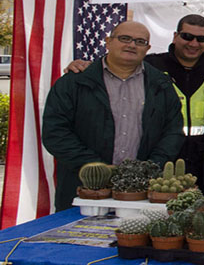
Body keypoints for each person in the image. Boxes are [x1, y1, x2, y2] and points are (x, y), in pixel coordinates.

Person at [65, 14, 204, 193]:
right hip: (158, 162)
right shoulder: (151, 65)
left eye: (201, 39)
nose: (193, 43)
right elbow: (115, 65)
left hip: (201, 161)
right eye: (187, 36)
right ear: (175, 36)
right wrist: (84, 66)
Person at [43, 21, 184, 211]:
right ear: (108, 42)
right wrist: (96, 169)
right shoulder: (74, 82)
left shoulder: (162, 85)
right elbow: (55, 133)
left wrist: (148, 169)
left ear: (148, 48)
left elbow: (173, 131)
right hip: (84, 190)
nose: (132, 45)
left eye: (140, 41)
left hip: (142, 195)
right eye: (124, 38)